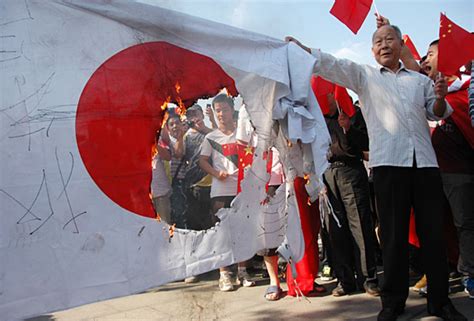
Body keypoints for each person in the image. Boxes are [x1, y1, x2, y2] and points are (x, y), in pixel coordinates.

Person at [286, 22, 466, 320]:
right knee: (393, 237)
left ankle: (440, 301)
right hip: (388, 167)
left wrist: (441, 95)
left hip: (425, 165)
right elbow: (331, 64)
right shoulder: (364, 76)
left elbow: (437, 112)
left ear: (400, 46)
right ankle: (392, 303)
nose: (384, 44)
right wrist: (303, 50)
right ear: (373, 50)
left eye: (390, 39)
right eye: (379, 41)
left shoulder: (420, 81)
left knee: (433, 236)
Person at [422, 40, 474, 300]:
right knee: (435, 226)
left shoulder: (465, 91)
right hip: (430, 171)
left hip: (459, 172)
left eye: (430, 54)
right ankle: (444, 271)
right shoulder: (426, 92)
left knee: (464, 224)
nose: (424, 60)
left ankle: (469, 273)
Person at [322, 94, 380, 297]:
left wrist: (348, 128)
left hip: (351, 171)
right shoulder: (315, 118)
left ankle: (368, 278)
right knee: (335, 230)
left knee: (360, 226)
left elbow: (366, 143)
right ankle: (345, 280)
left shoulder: (351, 114)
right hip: (327, 174)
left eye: (327, 94)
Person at [199, 94, 255, 292]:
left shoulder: (244, 134)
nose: (221, 114)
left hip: (242, 190)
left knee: (243, 231)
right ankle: (224, 275)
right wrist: (216, 173)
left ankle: (242, 271)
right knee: (222, 233)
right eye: (218, 111)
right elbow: (202, 160)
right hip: (220, 191)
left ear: (233, 110)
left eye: (224, 109)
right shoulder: (210, 137)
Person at [182, 104, 214, 231]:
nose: (193, 117)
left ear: (202, 114)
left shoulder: (209, 132)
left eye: (196, 114)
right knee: (194, 222)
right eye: (190, 115)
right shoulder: (185, 136)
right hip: (192, 184)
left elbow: (221, 138)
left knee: (210, 221)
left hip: (210, 183)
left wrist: (205, 128)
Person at [151, 128, 172, 223]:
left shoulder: (157, 139)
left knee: (165, 226)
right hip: (142, 195)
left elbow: (168, 157)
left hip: (160, 193)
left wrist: (154, 143)